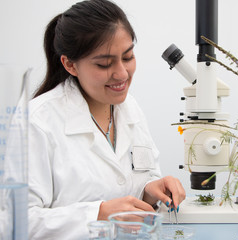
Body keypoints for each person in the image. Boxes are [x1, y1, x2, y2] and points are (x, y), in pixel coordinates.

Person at [28, 0, 186, 239]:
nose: (122, 73)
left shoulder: (129, 108)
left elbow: (137, 179)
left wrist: (150, 190)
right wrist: (98, 214)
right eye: (104, 64)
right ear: (70, 64)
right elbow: (15, 221)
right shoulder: (37, 121)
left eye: (128, 56)